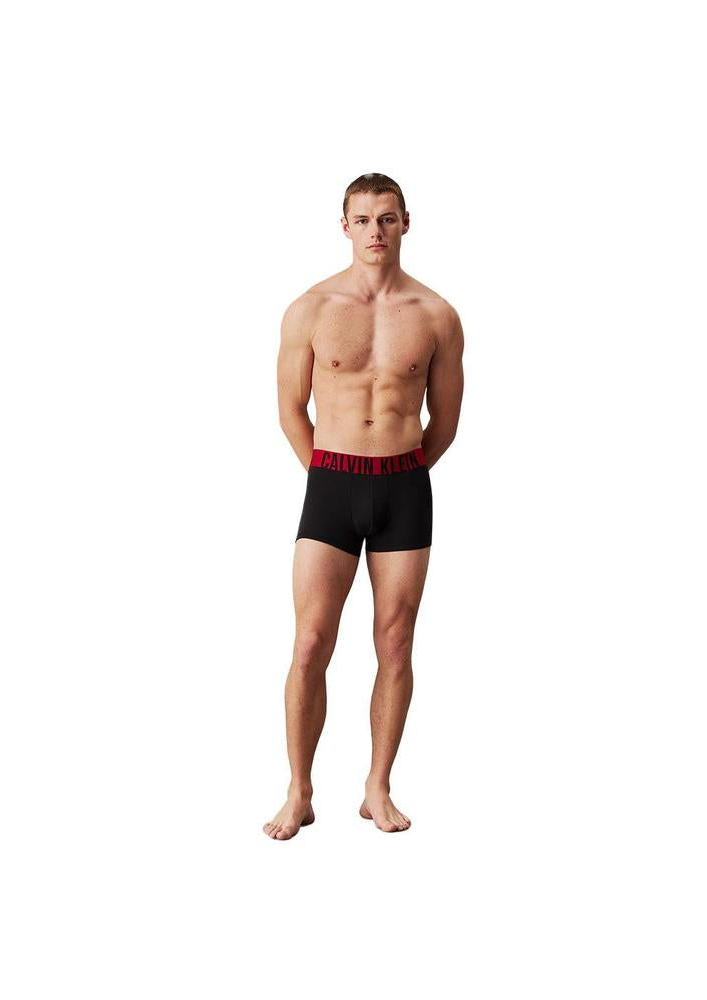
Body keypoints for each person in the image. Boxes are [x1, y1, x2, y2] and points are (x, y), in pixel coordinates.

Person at [263, 173, 464, 839]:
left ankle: (377, 787)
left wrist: (395, 475)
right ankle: (299, 791)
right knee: (310, 642)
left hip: (404, 488)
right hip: (331, 484)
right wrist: (332, 476)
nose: (375, 231)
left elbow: (445, 422)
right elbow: (291, 410)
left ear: (406, 222)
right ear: (344, 226)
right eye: (363, 219)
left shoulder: (436, 315)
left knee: (396, 642)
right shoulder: (310, 309)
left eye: (386, 218)